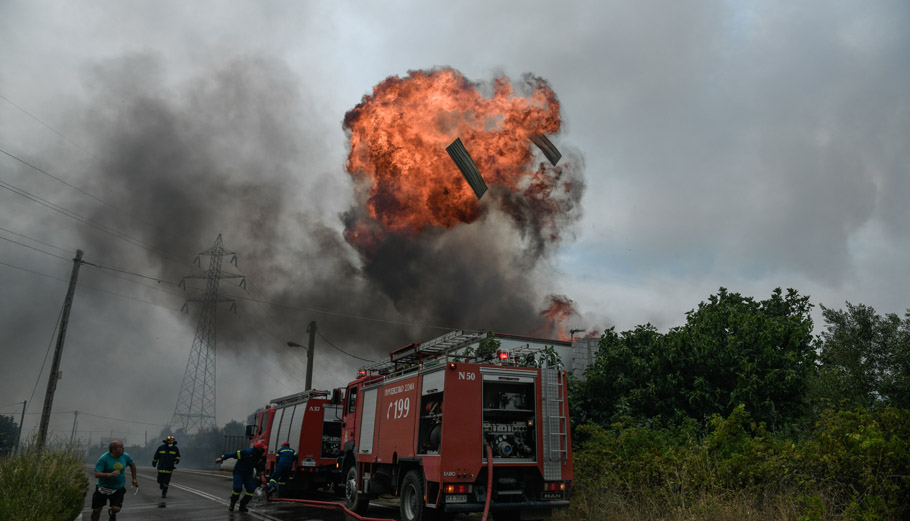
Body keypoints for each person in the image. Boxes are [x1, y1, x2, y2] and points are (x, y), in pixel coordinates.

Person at [90, 440, 137, 521]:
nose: (123, 448)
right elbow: (97, 474)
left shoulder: (126, 456)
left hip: (118, 488)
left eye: (123, 446)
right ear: (113, 449)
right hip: (102, 488)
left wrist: (134, 478)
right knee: (96, 510)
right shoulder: (103, 459)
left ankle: (112, 513)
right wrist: (110, 474)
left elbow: (132, 464)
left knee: (116, 509)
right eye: (120, 447)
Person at [216, 440, 267, 512]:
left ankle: (242, 505)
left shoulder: (259, 456)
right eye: (262, 448)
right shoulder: (247, 452)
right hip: (239, 472)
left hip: (248, 474)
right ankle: (232, 503)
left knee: (251, 490)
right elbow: (233, 454)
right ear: (258, 449)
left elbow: (259, 466)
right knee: (237, 489)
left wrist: (262, 475)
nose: (264, 449)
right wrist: (222, 458)